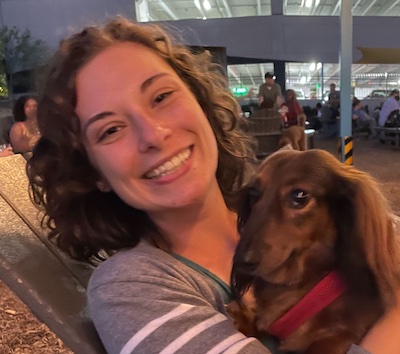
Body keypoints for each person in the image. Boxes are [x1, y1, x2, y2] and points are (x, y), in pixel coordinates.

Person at [27, 17, 400, 354]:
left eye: (161, 97)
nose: (153, 135)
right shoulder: (132, 288)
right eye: (110, 130)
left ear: (201, 104)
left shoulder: (343, 223)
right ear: (93, 172)